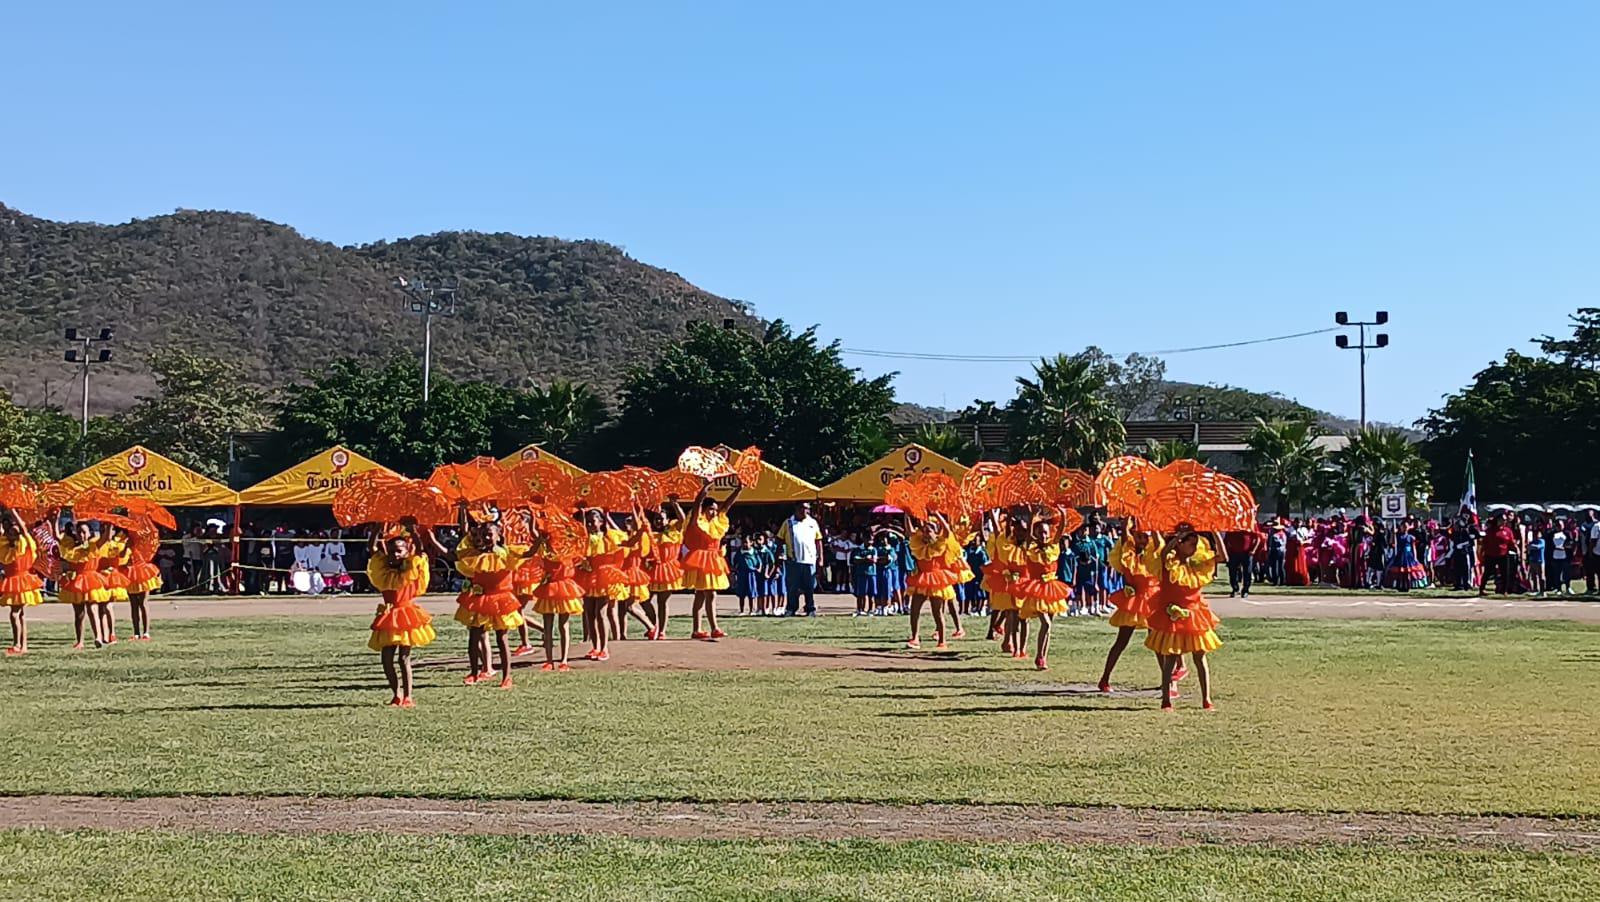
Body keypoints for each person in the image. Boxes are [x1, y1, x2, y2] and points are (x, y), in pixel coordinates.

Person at [1145, 526, 1222, 710]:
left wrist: (1215, 533)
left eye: (1196, 544)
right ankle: (1166, 699)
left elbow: (1222, 557)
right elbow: (1163, 553)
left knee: (1200, 657)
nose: (1194, 548)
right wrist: (1177, 537)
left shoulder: (1197, 565)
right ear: (1180, 545)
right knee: (1170, 658)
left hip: (1195, 615)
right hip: (1173, 616)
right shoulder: (1170, 562)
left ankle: (1206, 698)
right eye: (1191, 544)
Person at [450, 519, 527, 688]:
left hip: (500, 599)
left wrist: (537, 535)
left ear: (498, 536)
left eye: (489, 534)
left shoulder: (505, 554)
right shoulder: (476, 554)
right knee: (474, 636)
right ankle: (474, 672)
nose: (485, 537)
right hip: (481, 599)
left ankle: (507, 676)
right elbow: (464, 535)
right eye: (483, 534)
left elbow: (526, 554)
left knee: (502, 638)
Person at [366, 524, 436, 707]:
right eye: (392, 551)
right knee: (386, 658)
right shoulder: (383, 570)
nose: (394, 555)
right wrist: (375, 530)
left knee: (403, 658)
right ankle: (396, 694)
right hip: (388, 616)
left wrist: (414, 532)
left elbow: (420, 553)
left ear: (406, 552)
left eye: (398, 551)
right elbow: (372, 549)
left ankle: (408, 696)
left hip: (406, 615)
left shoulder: (410, 568)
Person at [1099, 523, 1165, 693]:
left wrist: (1154, 522)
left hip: (1152, 602)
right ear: (1133, 536)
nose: (1142, 540)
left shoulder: (1152, 553)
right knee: (1121, 641)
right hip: (1134, 602)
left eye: (1145, 537)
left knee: (1157, 642)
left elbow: (1159, 545)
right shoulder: (1127, 553)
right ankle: (1105, 678)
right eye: (1139, 536)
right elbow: (1124, 534)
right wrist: (1127, 520)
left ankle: (1167, 681)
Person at [1013, 515, 1072, 670]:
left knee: (1049, 625)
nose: (1043, 535)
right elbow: (1027, 536)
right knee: (1045, 623)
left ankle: (1042, 657)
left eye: (1045, 532)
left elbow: (1060, 530)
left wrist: (1063, 514)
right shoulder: (1031, 548)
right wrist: (1031, 516)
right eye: (1040, 532)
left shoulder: (1053, 546)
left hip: (1052, 588)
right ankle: (1039, 656)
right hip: (1037, 588)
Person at [683, 483, 740, 640]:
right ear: (705, 509)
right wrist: (704, 489)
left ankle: (698, 629)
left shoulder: (717, 522)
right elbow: (697, 505)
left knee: (702, 594)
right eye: (711, 509)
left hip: (714, 559)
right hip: (701, 559)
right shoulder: (697, 521)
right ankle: (712, 627)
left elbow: (727, 506)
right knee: (708, 593)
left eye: (715, 509)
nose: (714, 512)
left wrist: (738, 490)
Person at [904, 514, 958, 650]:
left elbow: (947, 531)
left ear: (935, 532)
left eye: (929, 531)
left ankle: (942, 640)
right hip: (921, 578)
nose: (926, 534)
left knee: (937, 611)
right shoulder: (919, 542)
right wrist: (907, 514)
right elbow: (910, 531)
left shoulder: (940, 542)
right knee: (914, 609)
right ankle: (915, 637)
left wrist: (938, 515)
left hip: (937, 579)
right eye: (925, 531)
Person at [56, 520, 108, 648]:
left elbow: (106, 538)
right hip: (77, 580)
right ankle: (80, 641)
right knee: (79, 614)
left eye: (84, 532)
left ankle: (98, 637)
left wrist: (109, 522)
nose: (81, 534)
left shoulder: (94, 545)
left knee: (92, 608)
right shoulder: (72, 547)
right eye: (79, 532)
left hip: (91, 579)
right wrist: (55, 520)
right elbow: (58, 537)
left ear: (89, 533)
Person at [0, 507, 44, 655]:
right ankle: (23, 645)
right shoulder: (5, 545)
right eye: (9, 531)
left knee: (15, 613)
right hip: (13, 580)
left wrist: (13, 512)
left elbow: (24, 529)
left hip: (22, 581)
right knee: (20, 614)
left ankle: (17, 643)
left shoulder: (25, 542)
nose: (11, 533)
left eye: (14, 531)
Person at [647, 501, 686, 639]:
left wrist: (675, 504)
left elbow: (682, 519)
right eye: (656, 518)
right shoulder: (650, 534)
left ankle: (662, 631)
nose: (658, 521)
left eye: (661, 518)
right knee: (644, 599)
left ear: (667, 520)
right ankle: (653, 626)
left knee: (662, 602)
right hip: (651, 569)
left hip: (668, 568)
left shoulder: (673, 531)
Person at [778, 501, 824, 617]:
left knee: (810, 587)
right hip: (793, 561)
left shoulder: (812, 522)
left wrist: (820, 558)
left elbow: (818, 541)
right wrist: (779, 555)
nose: (804, 511)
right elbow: (780, 539)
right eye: (802, 508)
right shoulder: (788, 523)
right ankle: (791, 609)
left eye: (807, 509)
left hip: (809, 560)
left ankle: (810, 609)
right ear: (796, 509)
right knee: (793, 587)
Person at [1223, 528, 1261, 598]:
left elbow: (1258, 538)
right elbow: (1226, 539)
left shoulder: (1249, 524)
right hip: (1233, 552)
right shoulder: (1232, 525)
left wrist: (1253, 550)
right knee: (1232, 572)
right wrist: (1226, 552)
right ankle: (1235, 589)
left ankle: (1245, 590)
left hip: (1247, 553)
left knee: (1247, 572)